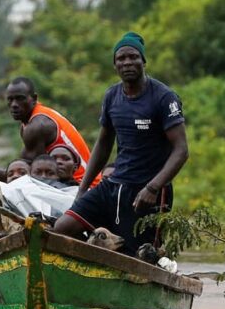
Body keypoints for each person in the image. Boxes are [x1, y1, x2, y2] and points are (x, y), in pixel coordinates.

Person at [53, 32, 188, 255]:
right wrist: (83, 190)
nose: (127, 63)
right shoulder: (112, 96)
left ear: (143, 61)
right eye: (121, 59)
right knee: (63, 227)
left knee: (136, 256)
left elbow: (181, 151)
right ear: (115, 65)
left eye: (133, 57)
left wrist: (152, 188)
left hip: (147, 190)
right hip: (114, 184)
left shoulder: (164, 97)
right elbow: (104, 144)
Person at [0, 77, 99, 185]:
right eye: (10, 100)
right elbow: (21, 175)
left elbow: (23, 179)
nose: (14, 105)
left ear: (34, 99)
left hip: (83, 187)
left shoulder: (37, 126)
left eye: (20, 99)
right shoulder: (31, 121)